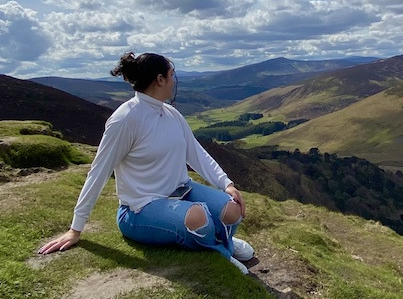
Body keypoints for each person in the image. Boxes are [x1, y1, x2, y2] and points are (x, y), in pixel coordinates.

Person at [38, 51, 255, 274]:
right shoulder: (125, 119)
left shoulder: (172, 114)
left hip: (182, 190)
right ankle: (219, 251)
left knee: (231, 208)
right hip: (140, 209)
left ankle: (221, 239)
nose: (174, 81)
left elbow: (196, 153)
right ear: (160, 80)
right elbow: (98, 172)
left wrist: (226, 183)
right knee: (199, 217)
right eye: (172, 75)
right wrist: (76, 228)